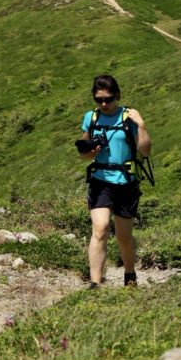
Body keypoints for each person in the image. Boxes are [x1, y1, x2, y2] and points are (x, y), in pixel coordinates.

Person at [78, 74, 151, 289]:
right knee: (100, 229)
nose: (103, 104)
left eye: (108, 99)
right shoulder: (90, 118)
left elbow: (145, 150)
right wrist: (91, 151)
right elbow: (83, 153)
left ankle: (129, 273)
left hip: (126, 182)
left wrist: (142, 125)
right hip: (100, 181)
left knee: (123, 236)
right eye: (98, 99)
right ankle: (95, 282)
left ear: (117, 96)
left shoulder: (129, 118)